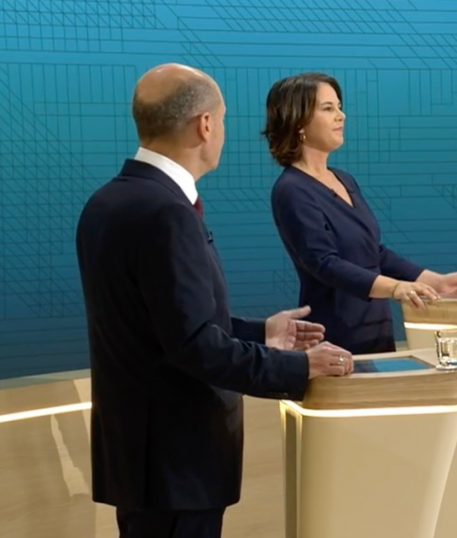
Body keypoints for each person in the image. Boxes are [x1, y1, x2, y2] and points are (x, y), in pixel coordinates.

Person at [75, 63, 355, 538]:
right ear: (205, 125)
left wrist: (262, 332)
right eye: (222, 120)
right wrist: (299, 367)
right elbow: (193, 346)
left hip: (144, 461)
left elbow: (160, 324)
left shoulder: (108, 201)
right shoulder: (165, 211)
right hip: (177, 463)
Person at [263, 72, 457, 354]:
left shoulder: (344, 179)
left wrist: (435, 281)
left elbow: (373, 253)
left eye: (339, 107)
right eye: (328, 108)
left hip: (375, 327)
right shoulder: (292, 189)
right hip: (335, 335)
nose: (341, 116)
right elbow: (324, 263)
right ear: (298, 121)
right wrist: (395, 288)